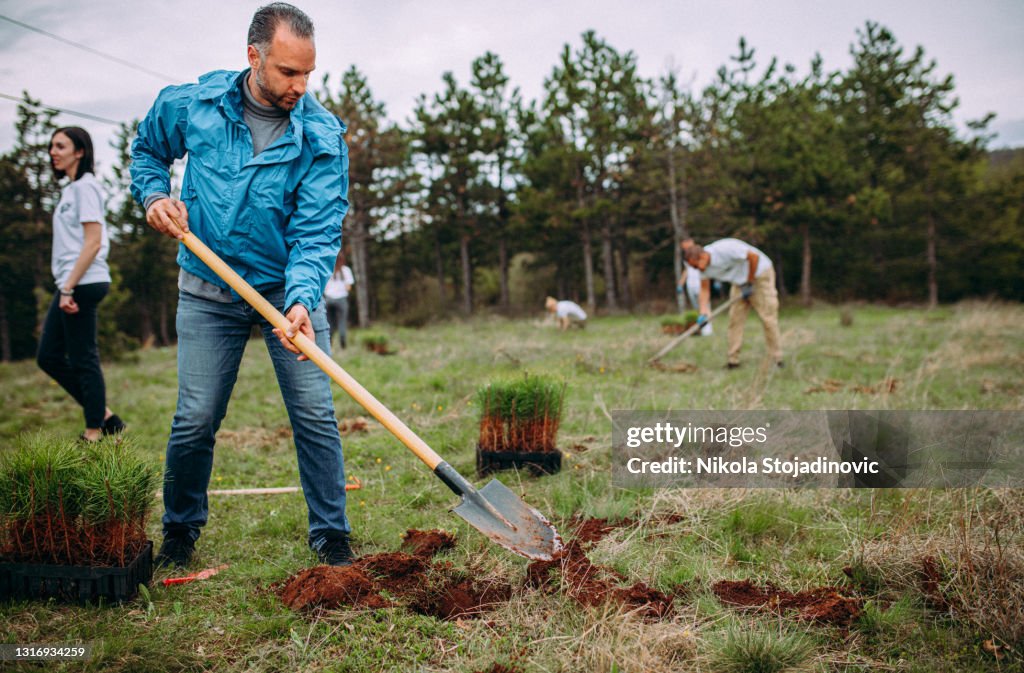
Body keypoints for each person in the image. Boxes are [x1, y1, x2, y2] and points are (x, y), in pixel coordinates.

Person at [130, 3, 352, 568]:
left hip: (284, 294)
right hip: (208, 287)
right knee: (196, 415)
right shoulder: (195, 104)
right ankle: (179, 530)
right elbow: (148, 150)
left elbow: (317, 232)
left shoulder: (322, 136)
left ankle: (331, 533)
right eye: (287, 72)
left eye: (308, 73)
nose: (300, 86)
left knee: (315, 413)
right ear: (253, 57)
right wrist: (155, 196)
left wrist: (302, 299)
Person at [37, 126, 126, 442]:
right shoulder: (71, 190)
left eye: (61, 146)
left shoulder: (86, 188)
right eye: (52, 146)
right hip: (73, 281)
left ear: (80, 151)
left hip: (83, 282)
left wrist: (67, 288)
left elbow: (93, 242)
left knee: (83, 356)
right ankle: (104, 417)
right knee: (48, 356)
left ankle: (94, 431)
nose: (53, 152)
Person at [685, 238, 782, 369]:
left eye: (696, 265)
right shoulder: (703, 269)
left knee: (768, 318)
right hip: (739, 282)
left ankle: (776, 359)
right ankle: (733, 361)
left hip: (760, 275)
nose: (697, 269)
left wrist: (750, 281)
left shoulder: (725, 248)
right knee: (735, 320)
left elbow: (753, 257)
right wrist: (703, 312)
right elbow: (704, 290)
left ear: (702, 256)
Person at [676, 238, 711, 336]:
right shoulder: (687, 257)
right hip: (690, 284)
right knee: (697, 307)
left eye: (685, 245)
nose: (684, 248)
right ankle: (701, 329)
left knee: (704, 306)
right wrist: (680, 284)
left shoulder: (701, 254)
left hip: (701, 283)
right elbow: (686, 271)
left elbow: (710, 269)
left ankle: (708, 331)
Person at [324, 251, 354, 349]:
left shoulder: (328, 270)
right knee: (342, 321)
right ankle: (343, 344)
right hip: (341, 299)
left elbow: (324, 287)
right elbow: (348, 287)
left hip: (329, 299)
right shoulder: (346, 270)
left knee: (330, 322)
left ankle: (329, 344)